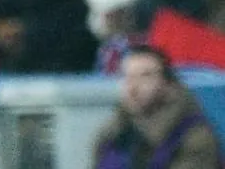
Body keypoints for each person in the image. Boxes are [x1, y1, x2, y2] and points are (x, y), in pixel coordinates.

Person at [93, 44, 221, 169]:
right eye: (126, 76)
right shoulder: (112, 134)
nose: (132, 87)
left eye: (145, 76)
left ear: (168, 85)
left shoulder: (195, 137)